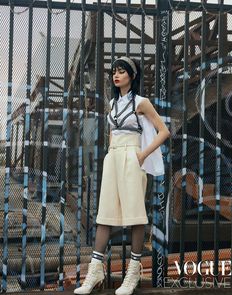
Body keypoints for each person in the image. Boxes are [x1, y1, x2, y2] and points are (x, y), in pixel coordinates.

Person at [74, 56, 170, 295]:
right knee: (104, 214)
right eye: (114, 72)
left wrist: (142, 155)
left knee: (135, 215)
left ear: (132, 75)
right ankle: (96, 269)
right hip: (114, 158)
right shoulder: (113, 103)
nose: (116, 75)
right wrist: (110, 153)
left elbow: (163, 131)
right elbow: (112, 134)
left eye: (122, 71)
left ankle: (134, 272)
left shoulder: (141, 102)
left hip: (131, 157)